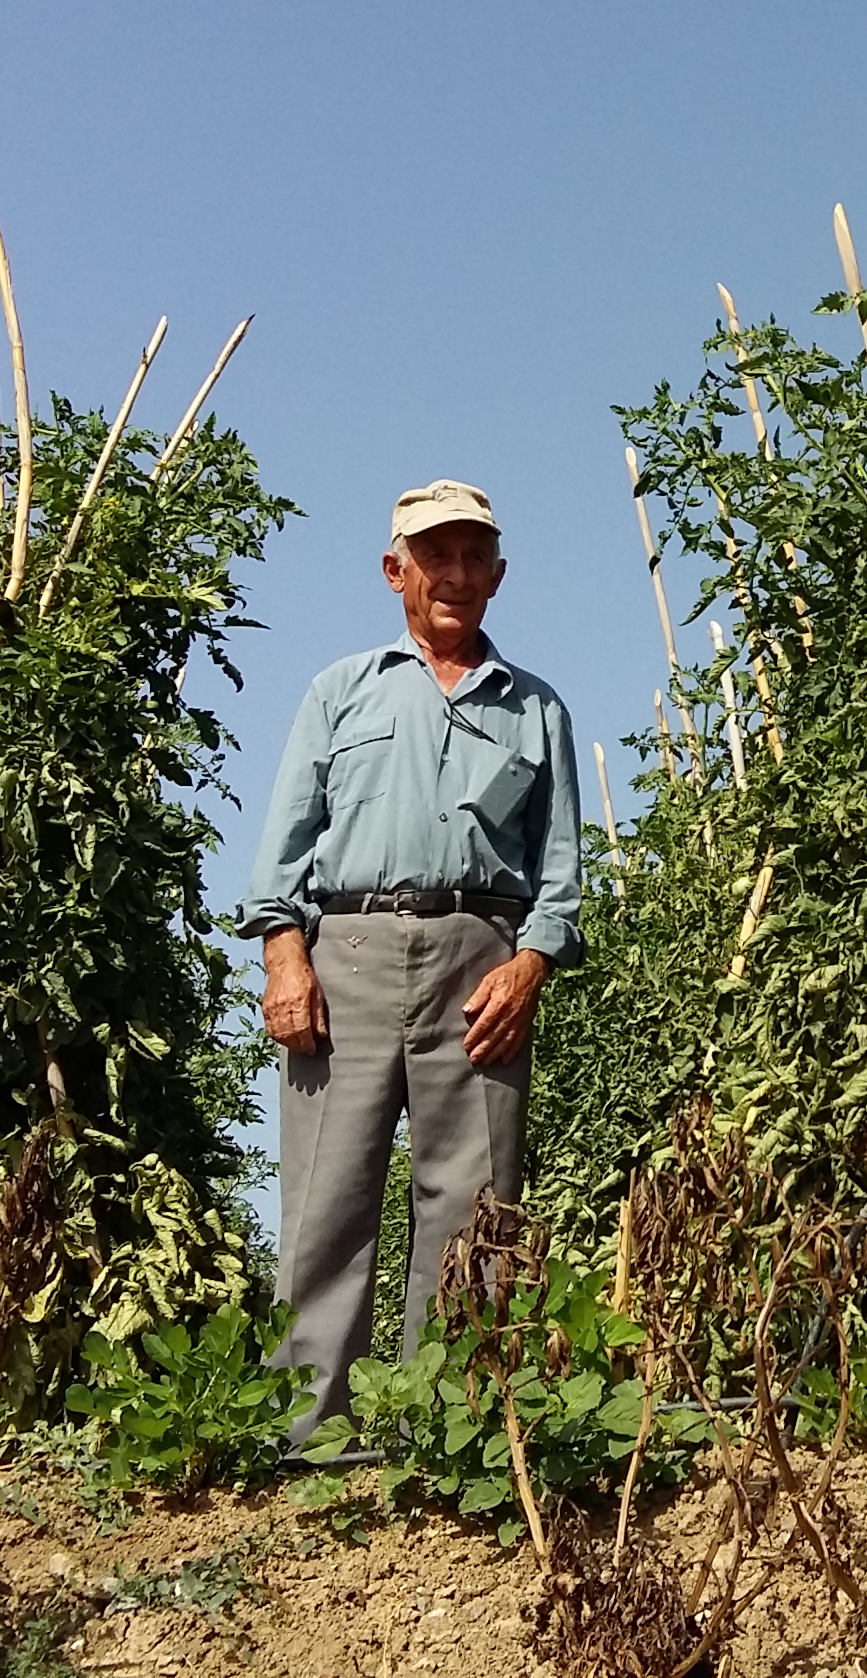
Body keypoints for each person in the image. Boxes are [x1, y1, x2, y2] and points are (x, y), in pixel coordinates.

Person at [241, 480, 585, 1446]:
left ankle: (455, 1436)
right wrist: (285, 958)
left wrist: (527, 969)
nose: (458, 576)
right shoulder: (339, 692)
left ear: (500, 576)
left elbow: (560, 874)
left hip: (481, 964)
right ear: (396, 570)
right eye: (437, 556)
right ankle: (310, 1441)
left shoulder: (537, 709)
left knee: (474, 1210)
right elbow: (282, 852)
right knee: (326, 1203)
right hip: (341, 954)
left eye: (476, 557)